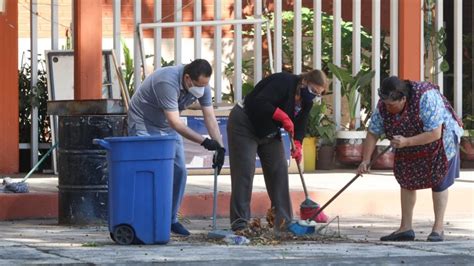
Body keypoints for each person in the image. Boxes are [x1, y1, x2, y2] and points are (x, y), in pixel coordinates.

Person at [357, 76, 464, 242]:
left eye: (391, 105)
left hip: (441, 139)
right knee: (406, 177)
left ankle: (438, 228)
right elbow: (373, 132)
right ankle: (405, 228)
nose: (387, 108)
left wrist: (407, 141)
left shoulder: (426, 97)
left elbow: (435, 133)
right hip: (408, 139)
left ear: (403, 99)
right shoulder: (384, 105)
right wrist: (365, 160)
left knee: (439, 178)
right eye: (385, 103)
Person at [128, 59, 226, 236]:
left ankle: (170, 219)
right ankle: (145, 218)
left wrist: (220, 147)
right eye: (198, 85)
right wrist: (204, 142)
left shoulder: (202, 86)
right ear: (187, 78)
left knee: (180, 171)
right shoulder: (167, 81)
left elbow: (210, 118)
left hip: (166, 126)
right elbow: (175, 122)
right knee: (149, 171)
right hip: (144, 123)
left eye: (205, 85)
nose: (202, 89)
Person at [227, 69, 329, 232]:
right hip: (245, 123)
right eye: (313, 91)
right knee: (245, 170)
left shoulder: (306, 101)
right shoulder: (283, 82)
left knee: (279, 168)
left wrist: (298, 144)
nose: (314, 96)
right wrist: (282, 116)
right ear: (304, 82)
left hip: (268, 129)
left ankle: (283, 222)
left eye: (318, 94)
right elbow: (257, 102)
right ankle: (240, 223)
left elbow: (301, 124)